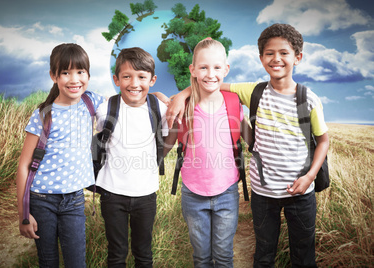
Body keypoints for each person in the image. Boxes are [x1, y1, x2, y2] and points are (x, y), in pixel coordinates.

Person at [168, 24, 329, 267]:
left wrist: (310, 177)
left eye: (284, 53)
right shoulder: (253, 91)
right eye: (269, 53)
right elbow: (210, 82)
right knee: (263, 253)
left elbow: (323, 140)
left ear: (298, 57)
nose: (276, 59)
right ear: (261, 58)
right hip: (263, 193)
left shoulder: (308, 99)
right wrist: (182, 94)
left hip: (301, 191)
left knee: (304, 254)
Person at [16, 43, 105, 267]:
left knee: (77, 262)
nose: (74, 79)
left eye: (80, 71)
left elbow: (127, 100)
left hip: (74, 200)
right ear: (54, 76)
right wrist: (24, 214)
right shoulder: (44, 114)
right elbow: (24, 165)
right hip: (42, 199)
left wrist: (165, 96)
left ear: (88, 74)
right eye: (65, 72)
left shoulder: (91, 102)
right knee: (48, 261)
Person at [164, 38, 250, 267]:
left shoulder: (234, 103)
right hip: (193, 193)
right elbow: (168, 144)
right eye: (203, 67)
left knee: (223, 255)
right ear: (193, 70)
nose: (210, 74)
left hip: (227, 192)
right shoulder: (184, 105)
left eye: (216, 67)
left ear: (226, 69)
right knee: (201, 256)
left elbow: (252, 140)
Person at [95, 47, 172, 267]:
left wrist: (155, 159)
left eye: (141, 77)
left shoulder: (160, 108)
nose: (134, 83)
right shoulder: (105, 108)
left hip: (146, 194)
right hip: (112, 193)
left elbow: (167, 140)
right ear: (116, 79)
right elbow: (101, 136)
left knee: (144, 253)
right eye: (126, 76)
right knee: (117, 253)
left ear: (153, 80)